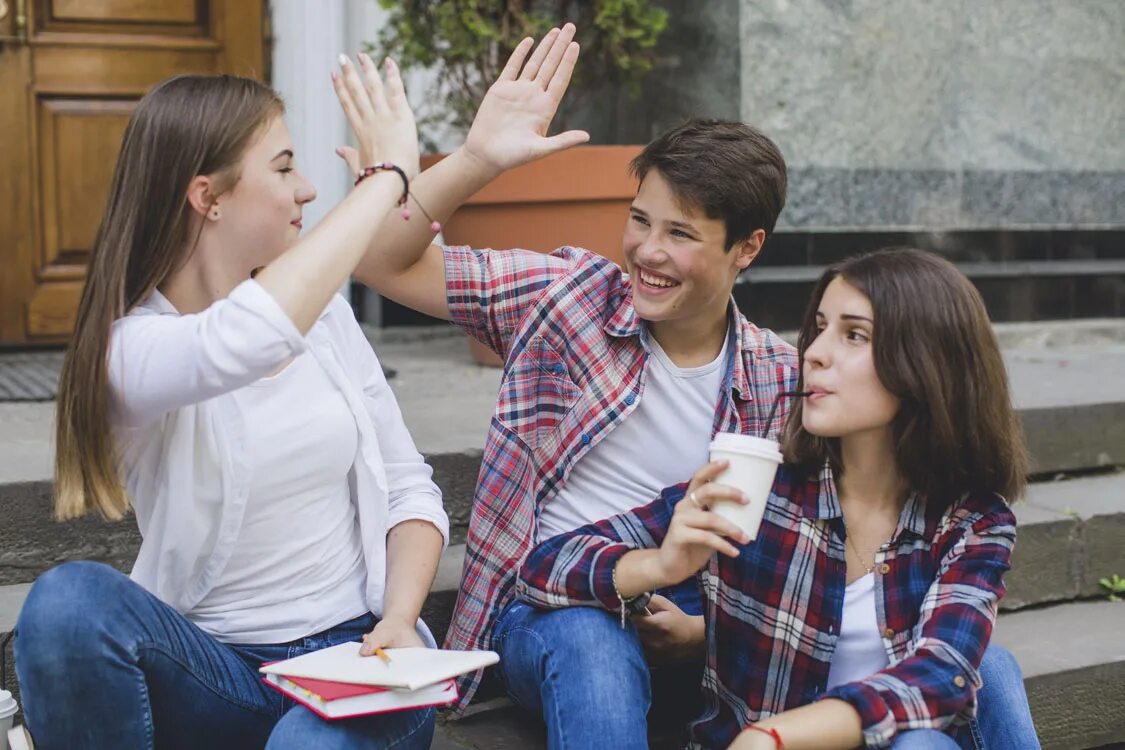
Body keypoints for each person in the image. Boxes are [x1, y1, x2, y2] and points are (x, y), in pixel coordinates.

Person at [13, 56, 449, 750]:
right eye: (282, 167)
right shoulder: (130, 351)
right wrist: (387, 175)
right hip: (217, 671)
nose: (306, 187)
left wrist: (400, 619)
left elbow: (407, 489)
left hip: (359, 658)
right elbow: (240, 340)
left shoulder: (327, 321)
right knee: (67, 605)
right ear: (206, 197)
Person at [518, 248, 1037, 749]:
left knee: (942, 720)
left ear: (928, 364)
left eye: (853, 335)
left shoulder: (973, 520)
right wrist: (659, 563)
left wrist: (777, 735)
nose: (813, 352)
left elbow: (939, 676)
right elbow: (541, 568)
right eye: (818, 328)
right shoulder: (760, 487)